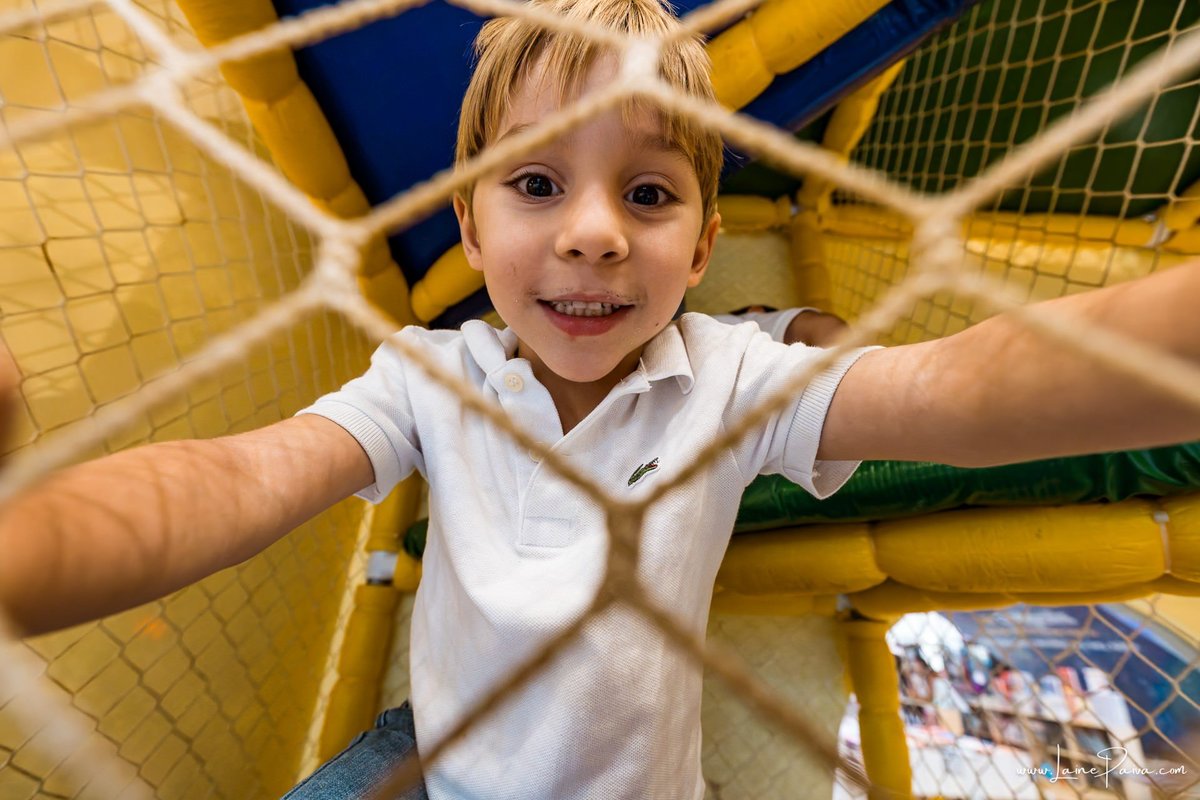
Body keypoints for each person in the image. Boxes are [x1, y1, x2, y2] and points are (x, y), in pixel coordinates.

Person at [0, 0, 1198, 797]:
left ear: (701, 243)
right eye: (536, 181)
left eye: (647, 193)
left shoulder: (730, 380)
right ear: (469, 227)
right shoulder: (431, 373)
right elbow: (250, 470)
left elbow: (962, 386)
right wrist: (32, 542)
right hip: (429, 763)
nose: (590, 234)